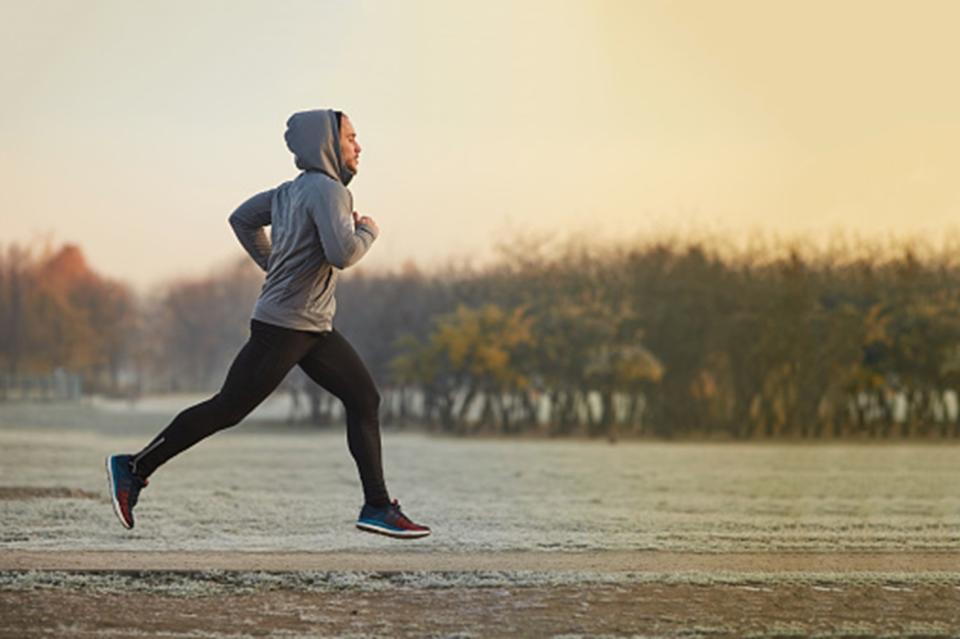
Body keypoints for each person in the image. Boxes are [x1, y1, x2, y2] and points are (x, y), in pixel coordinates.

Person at [105, 108, 430, 539]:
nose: (359, 146)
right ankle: (133, 468)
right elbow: (343, 254)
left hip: (312, 327)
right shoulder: (330, 192)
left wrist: (272, 262)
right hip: (286, 326)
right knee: (228, 408)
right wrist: (368, 231)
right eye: (352, 137)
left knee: (364, 399)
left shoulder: (289, 191)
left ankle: (376, 506)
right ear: (329, 143)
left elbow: (241, 218)